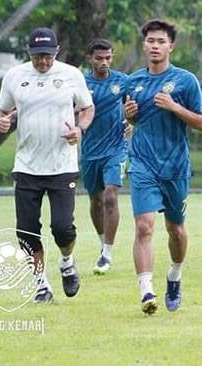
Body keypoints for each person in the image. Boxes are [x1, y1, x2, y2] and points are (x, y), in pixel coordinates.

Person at [0, 27, 94, 304]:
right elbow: (0, 110)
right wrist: (1, 121)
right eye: (38, 56)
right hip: (27, 166)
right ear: (29, 53)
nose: (44, 62)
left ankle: (67, 262)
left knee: (63, 228)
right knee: (26, 231)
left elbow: (87, 108)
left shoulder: (71, 74)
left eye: (48, 56)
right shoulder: (15, 76)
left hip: (62, 164)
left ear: (56, 52)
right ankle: (41, 284)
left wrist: (80, 130)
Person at [123, 19, 202, 314]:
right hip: (143, 164)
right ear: (144, 45)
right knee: (144, 226)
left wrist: (174, 107)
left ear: (171, 46)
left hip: (175, 167)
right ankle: (146, 291)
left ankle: (174, 275)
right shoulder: (133, 82)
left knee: (176, 230)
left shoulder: (185, 81)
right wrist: (129, 114)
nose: (155, 46)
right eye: (150, 41)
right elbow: (133, 120)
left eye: (161, 41)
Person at [82, 39, 127, 275]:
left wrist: (132, 123)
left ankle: (107, 253)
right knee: (96, 200)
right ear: (90, 57)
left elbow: (136, 106)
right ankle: (102, 243)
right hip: (90, 152)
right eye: (99, 58)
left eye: (108, 58)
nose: (104, 62)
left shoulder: (122, 81)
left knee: (111, 195)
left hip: (116, 149)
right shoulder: (80, 82)